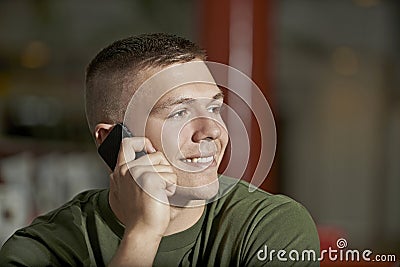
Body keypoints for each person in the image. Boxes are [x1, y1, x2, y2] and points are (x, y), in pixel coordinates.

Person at [0, 33, 319, 266]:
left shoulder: (270, 225)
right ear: (114, 141)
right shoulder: (40, 250)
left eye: (213, 108)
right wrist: (143, 235)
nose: (212, 131)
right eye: (179, 113)